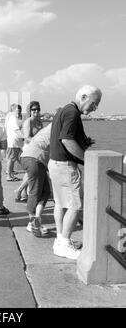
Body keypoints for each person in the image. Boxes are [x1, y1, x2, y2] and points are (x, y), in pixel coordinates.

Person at [48, 85, 102, 260]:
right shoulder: (72, 113)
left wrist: (83, 142)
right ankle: (64, 244)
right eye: (94, 103)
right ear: (84, 97)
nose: (95, 108)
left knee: (60, 203)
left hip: (55, 164)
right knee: (75, 205)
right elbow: (66, 140)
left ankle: (60, 240)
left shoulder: (64, 110)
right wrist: (88, 159)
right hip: (65, 166)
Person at [20, 123, 52, 237]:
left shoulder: (49, 128)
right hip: (35, 159)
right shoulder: (58, 129)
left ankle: (36, 219)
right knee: (35, 192)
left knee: (46, 191)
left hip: (32, 158)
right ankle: (31, 223)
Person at [14, 101, 43, 202]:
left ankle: (22, 193)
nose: (36, 111)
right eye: (33, 109)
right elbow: (26, 138)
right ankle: (20, 190)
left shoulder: (39, 121)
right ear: (29, 111)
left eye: (37, 109)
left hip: (37, 149)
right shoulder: (28, 122)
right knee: (32, 172)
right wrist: (38, 142)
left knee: (29, 172)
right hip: (29, 148)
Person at [5, 104, 24, 181]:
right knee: (11, 159)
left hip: (15, 142)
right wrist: (24, 137)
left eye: (20, 110)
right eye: (17, 110)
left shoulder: (14, 118)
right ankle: (9, 176)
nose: (19, 112)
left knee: (13, 159)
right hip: (13, 142)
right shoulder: (13, 118)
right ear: (13, 110)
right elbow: (17, 130)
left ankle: (10, 174)